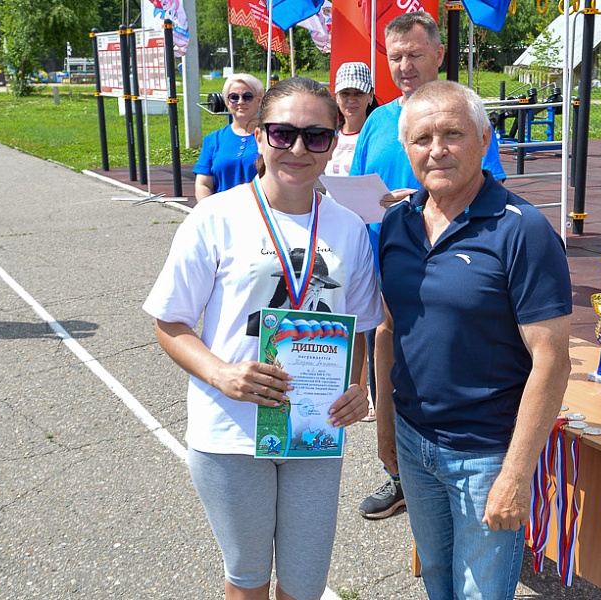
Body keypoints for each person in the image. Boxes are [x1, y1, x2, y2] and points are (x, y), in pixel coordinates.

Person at [144, 76, 384, 600]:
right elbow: (169, 322)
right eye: (282, 134)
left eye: (315, 136)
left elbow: (361, 325)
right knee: (248, 579)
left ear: (333, 144)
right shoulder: (215, 217)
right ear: (259, 136)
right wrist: (221, 374)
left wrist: (356, 385)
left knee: (304, 584)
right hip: (231, 430)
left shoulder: (348, 228)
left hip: (313, 430)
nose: (298, 149)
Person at [375, 80, 572, 599]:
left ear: (484, 139)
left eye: (452, 134)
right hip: (414, 441)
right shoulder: (396, 223)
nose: (437, 150)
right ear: (407, 149)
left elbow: (552, 361)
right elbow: (389, 330)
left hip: (485, 455)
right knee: (437, 580)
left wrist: (516, 474)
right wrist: (387, 427)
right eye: (422, 139)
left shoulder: (523, 230)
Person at [352, 10, 507, 521]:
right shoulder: (378, 120)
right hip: (386, 260)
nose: (404, 66)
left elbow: (489, 185)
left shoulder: (463, 113)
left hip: (446, 265)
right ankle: (399, 471)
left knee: (437, 366)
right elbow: (358, 184)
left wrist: (420, 199)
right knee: (388, 361)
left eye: (415, 55)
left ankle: (457, 473)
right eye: (395, 57)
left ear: (438, 54)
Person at [324, 61, 378, 421]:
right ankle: (336, 383)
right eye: (345, 93)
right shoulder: (327, 135)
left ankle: (368, 389)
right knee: (337, 308)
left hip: (370, 233)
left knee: (368, 316)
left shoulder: (374, 133)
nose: (351, 100)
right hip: (332, 235)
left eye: (358, 93)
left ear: (370, 95)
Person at [193, 73, 264, 201]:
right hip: (221, 211)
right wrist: (208, 210)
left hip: (261, 210)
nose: (240, 102)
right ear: (227, 102)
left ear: (259, 100)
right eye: (234, 97)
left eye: (247, 97)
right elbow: (203, 184)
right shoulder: (213, 140)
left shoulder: (272, 137)